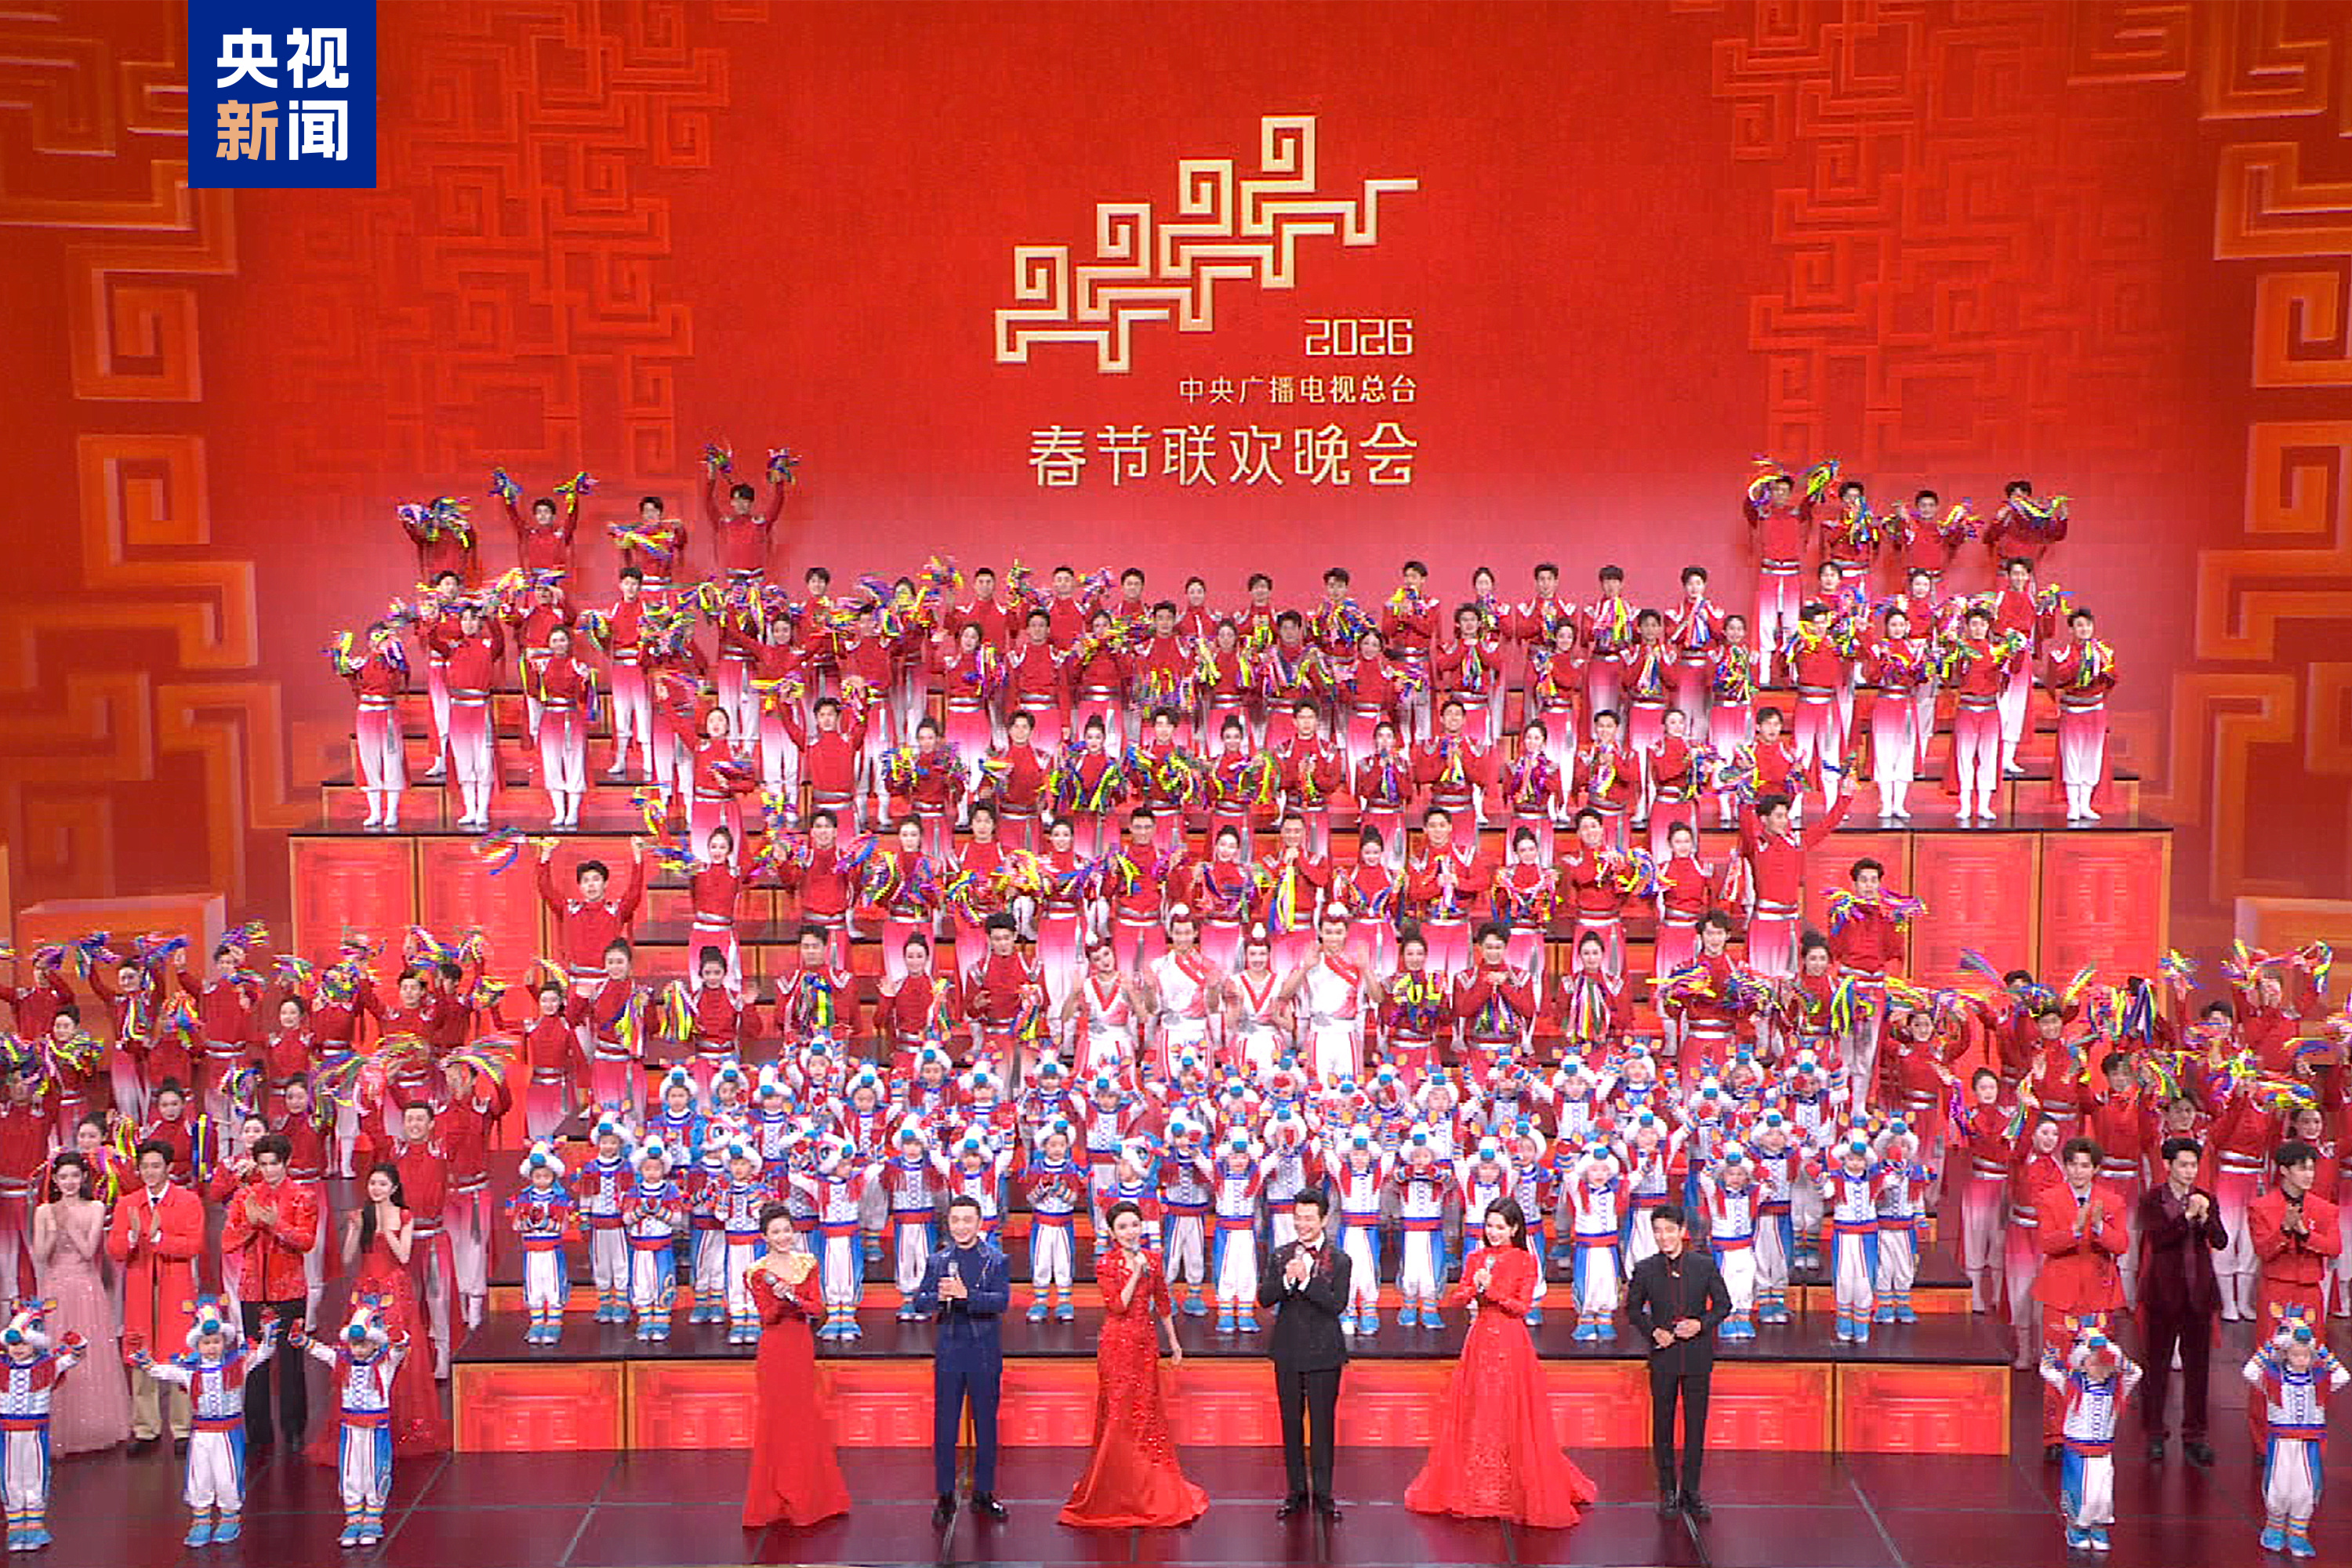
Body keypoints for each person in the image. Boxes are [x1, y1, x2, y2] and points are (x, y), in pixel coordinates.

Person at [1403, 1197, 1597, 1527]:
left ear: (1514, 1229)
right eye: (1490, 1226)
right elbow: (1456, 1298)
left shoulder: (1525, 1261)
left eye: (1500, 1227)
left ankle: (1515, 1485)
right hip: (1480, 1342)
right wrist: (1472, 1289)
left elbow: (1522, 1307)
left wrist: (1491, 1290)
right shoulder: (1476, 1258)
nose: (1494, 1232)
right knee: (1479, 1409)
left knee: (1512, 1409)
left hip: (1510, 1342)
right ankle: (1476, 1486)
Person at [1060, 1199, 1206, 1529]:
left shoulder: (1153, 1259)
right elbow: (1117, 1306)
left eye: (1134, 1225)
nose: (1130, 1232)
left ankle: (1148, 1486)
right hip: (1117, 1346)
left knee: (1146, 1413)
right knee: (1117, 1413)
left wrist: (1174, 1342)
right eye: (1123, 1227)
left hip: (1145, 1344)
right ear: (1112, 1233)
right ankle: (1115, 1486)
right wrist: (1136, 1272)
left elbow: (1163, 1302)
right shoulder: (1106, 1264)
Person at [307, 1164, 449, 1461]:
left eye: (382, 1184)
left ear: (394, 1188)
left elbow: (404, 1256)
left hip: (394, 1289)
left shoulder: (404, 1215)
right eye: (373, 1183)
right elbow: (348, 1258)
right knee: (361, 1349)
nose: (376, 1189)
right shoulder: (363, 1215)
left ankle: (404, 1423)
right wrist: (355, 1230)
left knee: (397, 1350)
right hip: (365, 1289)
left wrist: (386, 1231)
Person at [129, 1298, 278, 1546]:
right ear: (197, 1344)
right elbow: (160, 1370)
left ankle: (229, 1518)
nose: (212, 1347)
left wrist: (269, 1333)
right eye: (206, 1343)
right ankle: (201, 1521)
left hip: (228, 1434)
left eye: (216, 1342)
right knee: (200, 1476)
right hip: (201, 1434)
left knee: (227, 1476)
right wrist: (143, 1358)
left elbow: (263, 1354)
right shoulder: (189, 1370)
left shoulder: (237, 1365)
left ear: (224, 1342)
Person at [741, 1204, 851, 1530]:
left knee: (803, 1415)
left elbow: (817, 1308)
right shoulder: (756, 1272)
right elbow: (767, 1317)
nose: (783, 1237)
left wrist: (795, 1299)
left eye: (787, 1230)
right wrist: (779, 1300)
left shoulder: (807, 1264)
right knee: (775, 1418)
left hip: (800, 1345)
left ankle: (811, 1497)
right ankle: (773, 1500)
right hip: (774, 1348)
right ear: (765, 1237)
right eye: (775, 1232)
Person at [1626, 1202, 1730, 1523]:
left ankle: (1691, 1492)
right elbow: (1632, 1310)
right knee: (1663, 1426)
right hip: (1664, 1357)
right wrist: (1653, 1331)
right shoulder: (1645, 1269)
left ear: (1682, 1231)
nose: (1664, 1237)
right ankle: (1668, 1492)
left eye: (1669, 1230)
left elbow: (1723, 1305)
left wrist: (1701, 1324)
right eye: (1658, 1231)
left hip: (1697, 1356)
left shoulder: (1704, 1265)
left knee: (1696, 1427)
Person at [912, 1195, 1011, 1529]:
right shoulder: (938, 1260)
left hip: (984, 1353)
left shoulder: (995, 1260)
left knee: (986, 1425)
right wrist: (938, 1297)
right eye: (956, 1220)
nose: (961, 1226)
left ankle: (983, 1492)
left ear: (979, 1223)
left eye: (968, 1220)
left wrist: (968, 1296)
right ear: (949, 1223)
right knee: (945, 1426)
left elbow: (1001, 1302)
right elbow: (919, 1302)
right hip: (950, 1352)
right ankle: (945, 1495)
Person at [217, 1131, 318, 1453]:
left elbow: (306, 1241)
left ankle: (294, 1430)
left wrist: (276, 1225)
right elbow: (227, 1242)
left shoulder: (303, 1196)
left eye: (274, 1163)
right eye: (263, 1164)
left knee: (291, 1362)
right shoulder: (245, 1197)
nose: (269, 1170)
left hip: (289, 1290)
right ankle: (258, 1433)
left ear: (286, 1163)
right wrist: (251, 1224)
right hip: (253, 1291)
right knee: (255, 1362)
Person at [1259, 1189, 1351, 1523]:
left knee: (1323, 1426)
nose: (1302, 1224)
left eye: (1309, 1218)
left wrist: (1307, 1281)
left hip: (1324, 1354)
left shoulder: (1340, 1259)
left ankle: (1324, 1495)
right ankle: (1296, 1492)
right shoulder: (1280, 1255)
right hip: (1288, 1352)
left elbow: (1336, 1304)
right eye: (1298, 1218)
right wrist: (1287, 1279)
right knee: (1291, 1423)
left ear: (1324, 1219)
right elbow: (1265, 1298)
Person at [289, 1297, 408, 1547]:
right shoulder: (343, 1361)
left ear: (375, 1343)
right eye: (355, 1345)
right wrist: (302, 1340)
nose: (358, 1350)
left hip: (375, 1429)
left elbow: (399, 1350)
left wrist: (398, 1338)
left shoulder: (384, 1363)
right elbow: (322, 1352)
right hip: (351, 1428)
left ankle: (373, 1516)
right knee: (351, 1471)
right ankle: (353, 1518)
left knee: (374, 1470)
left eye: (364, 1345)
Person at [30, 1151, 129, 1454]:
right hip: (55, 1288)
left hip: (86, 1286)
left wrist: (68, 1224)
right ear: (56, 1181)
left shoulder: (96, 1207)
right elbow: (41, 1256)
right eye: (63, 1177)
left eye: (75, 1176)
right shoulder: (44, 1211)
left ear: (83, 1178)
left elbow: (88, 1251)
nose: (69, 1182)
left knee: (90, 1354)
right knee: (56, 1352)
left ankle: (94, 1425)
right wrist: (53, 1228)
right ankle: (60, 1427)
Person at [106, 1139, 201, 1452]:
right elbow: (115, 1250)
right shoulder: (128, 1204)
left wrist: (160, 1238)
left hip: (176, 1287)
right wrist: (132, 1238)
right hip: (140, 1287)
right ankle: (146, 1429)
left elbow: (193, 1245)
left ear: (169, 1168)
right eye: (145, 1166)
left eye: (156, 1166)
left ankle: (182, 1428)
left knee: (180, 1353)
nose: (150, 1172)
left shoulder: (187, 1201)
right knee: (141, 1353)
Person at [2135, 1136, 2224, 1465]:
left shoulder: (2206, 1199)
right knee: (2156, 1368)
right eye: (2183, 1165)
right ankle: (2155, 1434)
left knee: (2198, 1370)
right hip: (2163, 1294)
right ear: (2168, 1166)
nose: (2189, 1171)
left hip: (2198, 1295)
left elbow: (2220, 1240)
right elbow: (2159, 1239)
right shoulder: (2152, 1200)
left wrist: (2205, 1218)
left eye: (2193, 1165)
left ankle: (2195, 1436)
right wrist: (2186, 1216)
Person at [2244, 1322, 2347, 1558]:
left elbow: (2343, 1376)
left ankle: (2298, 1532)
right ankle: (2274, 1527)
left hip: (2307, 1443)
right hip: (2281, 1441)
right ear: (2286, 1354)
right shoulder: (2273, 1377)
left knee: (2305, 1488)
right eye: (2296, 1354)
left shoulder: (2319, 1379)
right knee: (2278, 1486)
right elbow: (2249, 1371)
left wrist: (2321, 1350)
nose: (2301, 1359)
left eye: (2305, 1355)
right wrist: (2272, 1345)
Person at [2041, 1328, 2139, 1555]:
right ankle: (2077, 1530)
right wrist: (2051, 1356)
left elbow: (2136, 1373)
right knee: (2081, 1493)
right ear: (2082, 1365)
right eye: (2094, 1363)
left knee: (2102, 1494)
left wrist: (2113, 1354)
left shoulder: (2118, 1389)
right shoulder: (2072, 1385)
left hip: (2103, 1451)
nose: (2100, 1368)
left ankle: (2098, 1528)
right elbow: (2046, 1371)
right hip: (2078, 1451)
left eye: (2104, 1364)